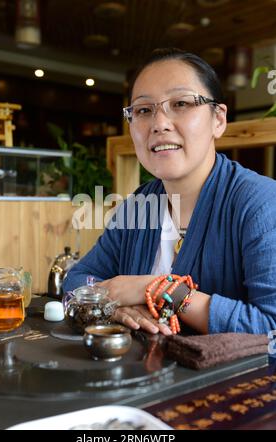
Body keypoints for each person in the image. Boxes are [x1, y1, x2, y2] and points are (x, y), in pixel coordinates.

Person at [63, 47, 276, 336]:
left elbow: (270, 327)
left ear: (219, 119)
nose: (159, 123)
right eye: (143, 110)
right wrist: (113, 306)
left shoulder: (261, 202)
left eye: (181, 104)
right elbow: (77, 279)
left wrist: (157, 288)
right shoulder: (140, 204)